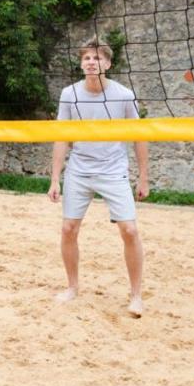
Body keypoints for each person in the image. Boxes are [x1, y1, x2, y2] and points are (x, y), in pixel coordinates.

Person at [48, 36, 150, 318]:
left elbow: (139, 136)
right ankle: (72, 287)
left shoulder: (123, 94)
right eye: (86, 58)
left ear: (108, 63)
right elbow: (60, 137)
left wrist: (143, 178)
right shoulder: (69, 94)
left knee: (129, 230)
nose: (91, 62)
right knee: (69, 228)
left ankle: (136, 296)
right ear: (81, 64)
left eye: (97, 58)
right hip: (80, 168)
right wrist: (55, 178)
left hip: (113, 169)